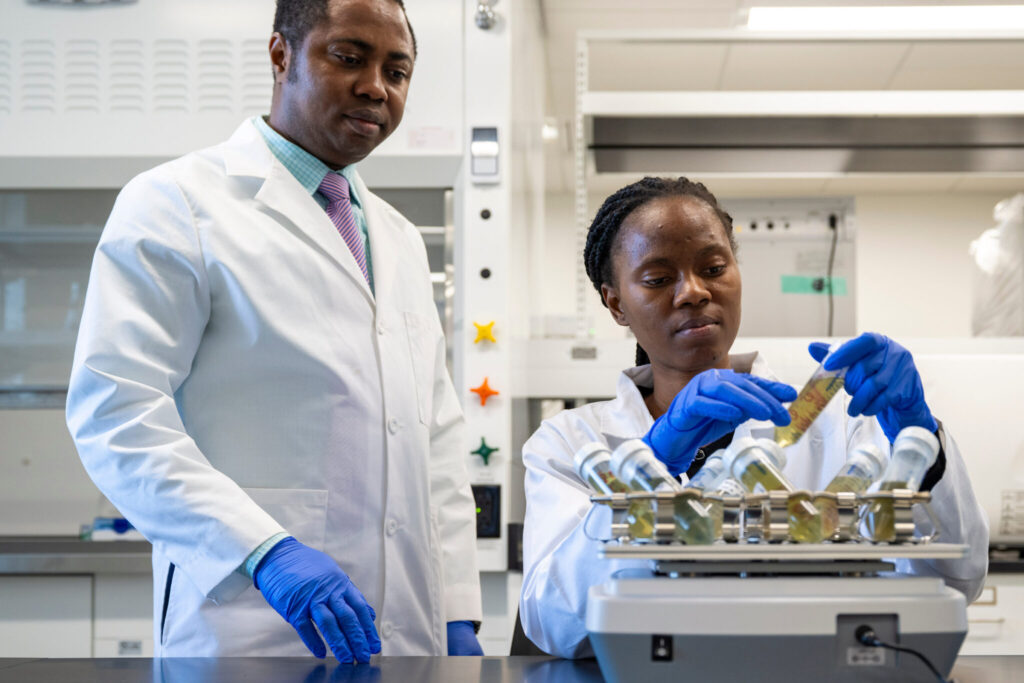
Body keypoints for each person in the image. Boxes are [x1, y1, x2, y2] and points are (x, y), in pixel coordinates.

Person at [65, 0, 482, 662]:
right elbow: (116, 414)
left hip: (409, 630)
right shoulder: (176, 205)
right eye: (349, 57)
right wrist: (263, 549)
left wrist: (457, 608)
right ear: (280, 55)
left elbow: (434, 436)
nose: (376, 85)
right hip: (251, 628)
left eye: (397, 70)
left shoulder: (399, 238)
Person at [519, 177, 989, 658]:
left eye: (714, 267)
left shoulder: (840, 419)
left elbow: (956, 581)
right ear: (616, 303)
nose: (693, 291)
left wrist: (917, 435)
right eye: (659, 279)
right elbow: (552, 622)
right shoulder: (569, 442)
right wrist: (647, 465)